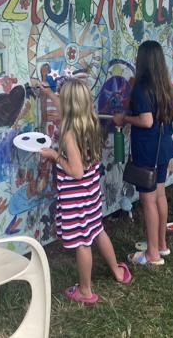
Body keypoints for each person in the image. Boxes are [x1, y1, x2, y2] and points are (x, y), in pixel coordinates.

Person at [40, 79, 132, 304]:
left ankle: (85, 291)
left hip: (76, 195)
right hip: (90, 193)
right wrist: (50, 95)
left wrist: (54, 156)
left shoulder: (69, 133)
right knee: (97, 230)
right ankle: (118, 273)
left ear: (69, 105)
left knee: (83, 242)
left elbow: (76, 171)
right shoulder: (89, 121)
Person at [113, 40, 173, 265]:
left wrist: (124, 119)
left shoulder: (142, 87)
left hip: (148, 150)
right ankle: (161, 244)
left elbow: (146, 120)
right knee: (159, 195)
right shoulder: (163, 85)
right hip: (163, 148)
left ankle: (152, 254)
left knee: (147, 200)